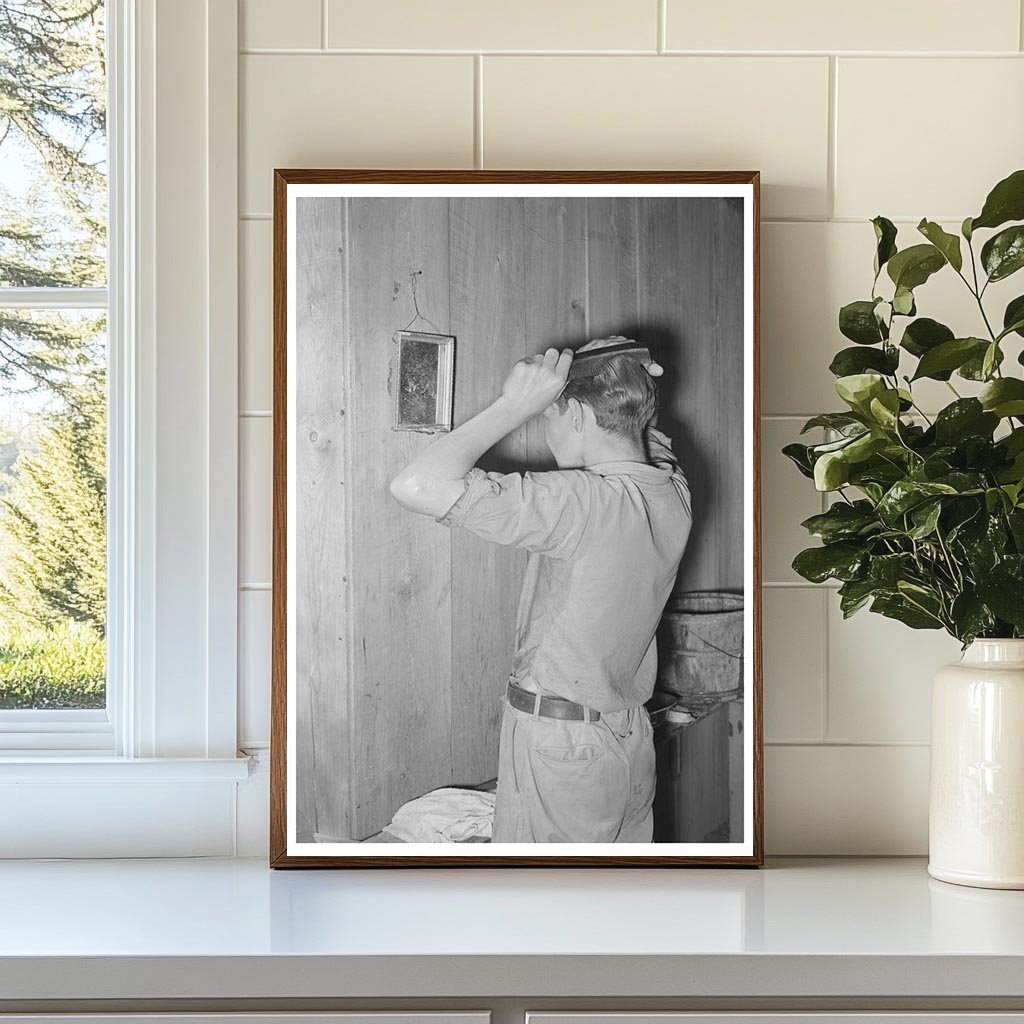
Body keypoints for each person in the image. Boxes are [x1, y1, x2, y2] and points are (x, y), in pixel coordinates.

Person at [389, 336, 692, 843]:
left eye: (546, 417)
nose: (544, 431)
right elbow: (645, 438)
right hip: (627, 737)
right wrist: (622, 365)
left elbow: (415, 485)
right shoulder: (672, 490)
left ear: (574, 414)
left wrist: (515, 404)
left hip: (562, 747)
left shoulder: (584, 503)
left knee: (541, 906)